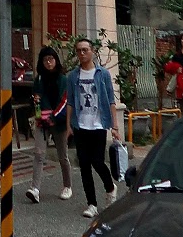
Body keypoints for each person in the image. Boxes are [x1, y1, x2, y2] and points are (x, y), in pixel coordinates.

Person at [65, 38, 121, 218]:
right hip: (80, 125)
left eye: (85, 50)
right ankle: (92, 204)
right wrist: (68, 125)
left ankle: (110, 188)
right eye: (79, 50)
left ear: (92, 51)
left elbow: (111, 100)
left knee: (97, 161)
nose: (82, 53)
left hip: (98, 125)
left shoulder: (102, 73)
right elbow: (70, 102)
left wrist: (114, 126)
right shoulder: (73, 76)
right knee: (84, 164)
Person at [27, 46, 73, 203]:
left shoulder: (63, 79)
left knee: (63, 156)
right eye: (45, 59)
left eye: (51, 59)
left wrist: (54, 117)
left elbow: (65, 101)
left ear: (56, 60)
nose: (48, 62)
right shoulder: (39, 79)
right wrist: (37, 106)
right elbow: (36, 97)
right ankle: (35, 189)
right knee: (39, 154)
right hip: (42, 121)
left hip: (58, 122)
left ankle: (67, 186)